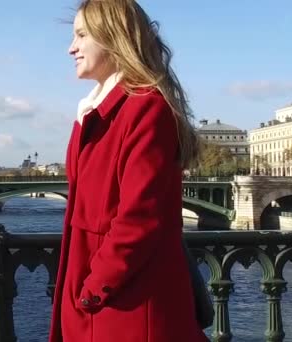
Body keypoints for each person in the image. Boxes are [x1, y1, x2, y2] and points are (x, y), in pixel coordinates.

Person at [48, 0, 209, 341]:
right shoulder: (96, 112)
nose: (71, 48)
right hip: (105, 303)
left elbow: (139, 218)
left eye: (81, 35)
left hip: (127, 307)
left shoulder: (145, 108)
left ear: (112, 36)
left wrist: (93, 288)